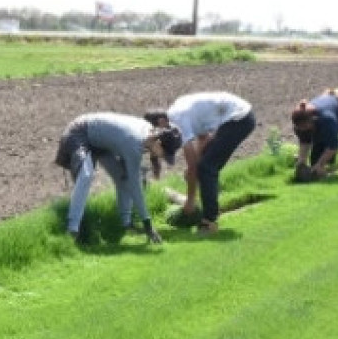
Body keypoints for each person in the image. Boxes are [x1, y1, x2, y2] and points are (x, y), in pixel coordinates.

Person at [54, 112, 183, 244]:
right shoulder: (135, 143)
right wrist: (147, 224)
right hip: (79, 133)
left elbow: (128, 177)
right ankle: (72, 230)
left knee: (123, 177)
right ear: (158, 143)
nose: (163, 156)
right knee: (86, 175)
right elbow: (135, 187)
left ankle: (126, 224)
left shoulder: (147, 134)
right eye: (164, 153)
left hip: (100, 143)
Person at [146, 91, 256, 235]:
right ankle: (210, 204)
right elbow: (203, 138)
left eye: (157, 131)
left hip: (239, 118)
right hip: (239, 117)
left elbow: (192, 166)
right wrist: (194, 168)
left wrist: (190, 201)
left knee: (206, 168)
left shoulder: (178, 121)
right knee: (205, 167)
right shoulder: (179, 114)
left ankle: (209, 222)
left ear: (161, 122)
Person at [290, 88, 338, 181]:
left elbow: (333, 146)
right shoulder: (301, 125)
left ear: (312, 120)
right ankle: (321, 174)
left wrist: (320, 164)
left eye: (304, 127)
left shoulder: (327, 119)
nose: (302, 130)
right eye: (300, 127)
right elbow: (305, 142)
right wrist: (301, 163)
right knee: (317, 153)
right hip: (336, 103)